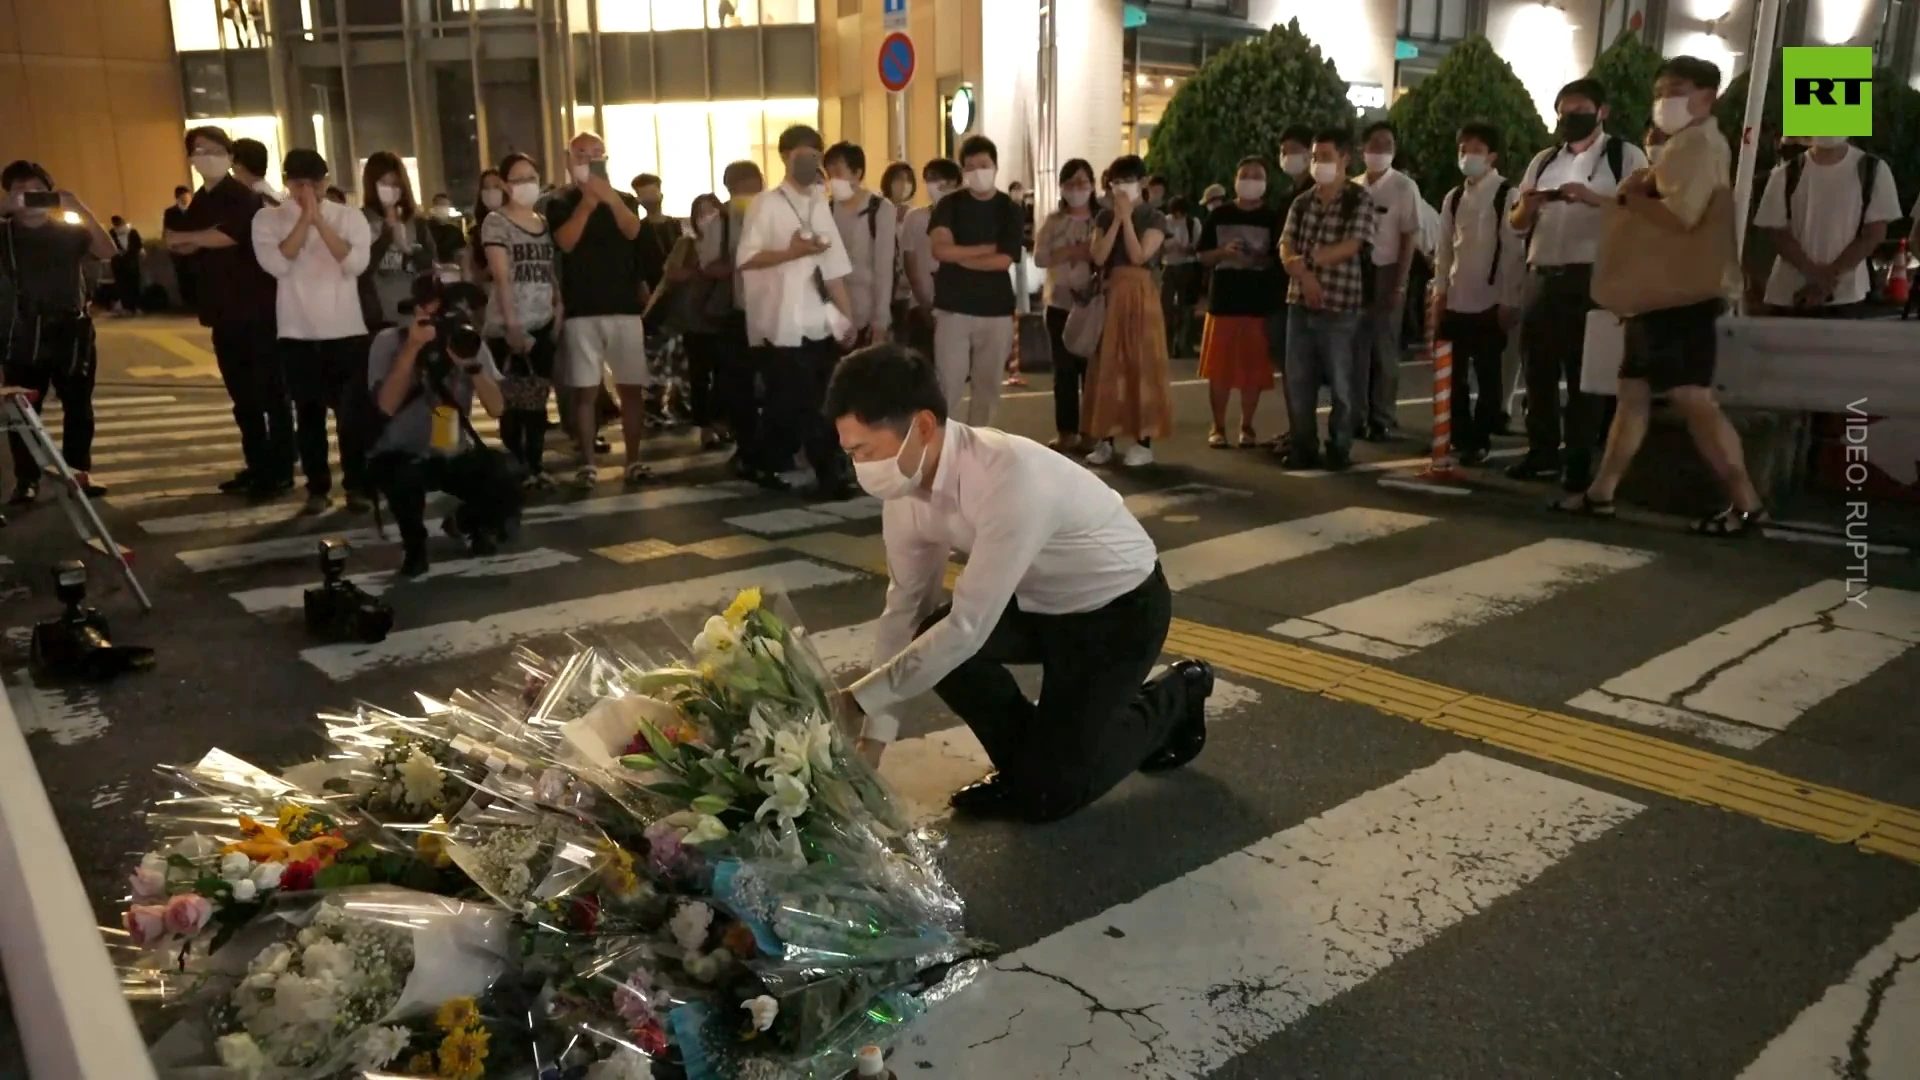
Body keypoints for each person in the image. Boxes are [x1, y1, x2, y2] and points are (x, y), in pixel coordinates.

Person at [824, 343, 1215, 822]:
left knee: (1052, 794)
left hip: (1117, 611)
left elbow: (968, 628)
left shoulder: (1008, 476)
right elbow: (904, 610)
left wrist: (856, 700)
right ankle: (1031, 766)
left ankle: (1175, 696)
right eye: (850, 454)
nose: (859, 466)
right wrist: (871, 747)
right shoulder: (905, 493)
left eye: (864, 450)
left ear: (923, 426)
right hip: (1036, 604)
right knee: (929, 635)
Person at [1558, 56, 1766, 537]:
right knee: (1633, 392)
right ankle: (1601, 493)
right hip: (1663, 292)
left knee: (1692, 399)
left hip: (1681, 295)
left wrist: (1632, 197)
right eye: (1660, 91)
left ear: (1706, 95)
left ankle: (1747, 503)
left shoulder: (1697, 145)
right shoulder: (1684, 145)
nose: (1664, 100)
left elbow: (1680, 216)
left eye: (1676, 90)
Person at [1507, 78, 1650, 491]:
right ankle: (1542, 452)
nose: (1571, 118)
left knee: (1585, 374)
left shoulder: (1624, 156)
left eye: (1580, 110)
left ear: (1601, 111)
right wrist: (1529, 206)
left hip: (1590, 277)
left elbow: (1642, 212)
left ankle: (1580, 461)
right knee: (1538, 370)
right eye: (1564, 112)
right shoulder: (1544, 160)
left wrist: (1591, 199)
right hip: (1542, 273)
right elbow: (1516, 224)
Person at [365, 276, 519, 577]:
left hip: (451, 448)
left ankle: (468, 523)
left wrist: (472, 364)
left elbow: (497, 408)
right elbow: (386, 404)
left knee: (507, 473)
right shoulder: (389, 341)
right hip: (401, 450)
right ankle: (414, 545)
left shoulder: (468, 342)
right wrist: (411, 348)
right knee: (402, 475)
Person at [171, 126, 294, 498]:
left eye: (213, 149)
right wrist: (195, 237)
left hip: (257, 312)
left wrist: (194, 238)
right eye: (197, 150)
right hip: (221, 312)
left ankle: (280, 470)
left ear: (228, 154)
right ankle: (256, 465)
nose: (204, 156)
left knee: (271, 394)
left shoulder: (242, 196)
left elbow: (229, 235)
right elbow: (178, 242)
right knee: (243, 398)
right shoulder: (201, 201)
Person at [735, 124, 858, 497]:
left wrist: (847, 315)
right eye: (801, 154)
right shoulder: (766, 204)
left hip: (819, 319)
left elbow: (834, 266)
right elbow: (746, 259)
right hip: (780, 322)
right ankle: (827, 473)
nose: (810, 161)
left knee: (806, 401)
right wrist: (790, 253)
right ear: (785, 157)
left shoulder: (820, 205)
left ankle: (759, 459)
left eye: (815, 154)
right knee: (800, 401)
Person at [252, 148, 374, 515]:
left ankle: (357, 485)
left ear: (326, 182)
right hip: (296, 331)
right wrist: (304, 220)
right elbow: (277, 264)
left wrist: (320, 220)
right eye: (298, 183)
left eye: (313, 182)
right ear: (288, 182)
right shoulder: (267, 218)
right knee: (308, 415)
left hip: (346, 330)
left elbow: (354, 263)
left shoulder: (349, 217)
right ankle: (318, 487)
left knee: (351, 416)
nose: (306, 190)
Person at [2, 160, 114, 503]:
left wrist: (78, 206)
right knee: (24, 411)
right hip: (23, 334)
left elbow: (107, 251)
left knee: (79, 406)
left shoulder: (68, 229)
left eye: (38, 192)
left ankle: (79, 472)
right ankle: (27, 479)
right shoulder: (3, 232)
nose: (30, 199)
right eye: (21, 192)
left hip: (72, 330)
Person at [548, 131, 651, 488]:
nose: (589, 160)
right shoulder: (559, 201)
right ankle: (587, 462)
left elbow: (633, 231)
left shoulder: (623, 199)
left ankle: (634, 460)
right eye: (581, 154)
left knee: (631, 387)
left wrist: (608, 198)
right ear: (568, 159)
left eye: (596, 154)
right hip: (582, 308)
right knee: (584, 390)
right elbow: (566, 241)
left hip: (623, 307)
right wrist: (588, 203)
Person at [1278, 128, 1376, 471]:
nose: (1319, 164)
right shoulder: (1302, 202)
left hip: (1341, 305)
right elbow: (1285, 244)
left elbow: (1353, 244)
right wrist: (1303, 275)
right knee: (1297, 381)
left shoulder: (1358, 200)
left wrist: (1309, 263)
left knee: (1341, 384)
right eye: (1316, 157)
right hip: (1299, 302)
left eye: (1326, 157)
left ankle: (1340, 446)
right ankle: (1303, 446)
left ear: (1345, 159)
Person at [1430, 120, 1524, 467]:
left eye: (1476, 150)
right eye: (1463, 149)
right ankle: (1457, 433)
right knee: (1451, 375)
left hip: (1489, 302)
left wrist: (1509, 300)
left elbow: (1513, 252)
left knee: (1488, 376)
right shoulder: (1453, 197)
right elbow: (1444, 250)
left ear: (1493, 155)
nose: (1468, 156)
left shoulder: (1506, 194)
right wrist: (1439, 293)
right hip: (1456, 299)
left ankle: (1480, 437)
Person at [1083, 154, 1174, 466]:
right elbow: (1098, 255)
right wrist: (1118, 219)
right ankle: (1104, 438)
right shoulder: (1104, 218)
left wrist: (1128, 220)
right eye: (1116, 182)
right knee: (1108, 365)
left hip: (1141, 294)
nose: (1122, 188)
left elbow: (1138, 255)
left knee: (1141, 364)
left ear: (1143, 183)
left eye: (1128, 181)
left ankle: (1142, 440)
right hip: (1111, 293)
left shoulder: (1155, 217)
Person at [927, 135, 1022, 426]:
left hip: (996, 311)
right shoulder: (949, 205)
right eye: (970, 167)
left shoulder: (1009, 209)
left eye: (984, 164)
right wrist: (985, 248)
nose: (978, 172)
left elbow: (1004, 260)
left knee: (988, 388)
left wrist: (960, 256)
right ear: (963, 171)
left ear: (995, 166)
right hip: (953, 309)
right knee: (948, 386)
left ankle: (979, 450)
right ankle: (940, 451)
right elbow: (940, 249)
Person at [481, 153, 560, 485]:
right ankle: (517, 467)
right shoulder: (496, 222)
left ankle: (535, 465)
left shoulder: (542, 222)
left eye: (531, 177)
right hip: (507, 325)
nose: (526, 185)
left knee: (537, 401)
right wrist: (512, 325)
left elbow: (548, 270)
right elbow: (501, 277)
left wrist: (559, 305)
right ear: (503, 184)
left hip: (541, 321)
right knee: (512, 402)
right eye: (517, 179)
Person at [1755, 135, 1899, 317]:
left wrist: (1823, 279)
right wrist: (1820, 277)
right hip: (1789, 297)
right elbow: (1778, 233)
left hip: (1846, 300)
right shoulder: (1785, 173)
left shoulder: (1874, 170)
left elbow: (1874, 234)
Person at [1195, 155, 1281, 448]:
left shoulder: (1272, 217)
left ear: (1266, 183)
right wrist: (1224, 253)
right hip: (1223, 302)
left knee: (1252, 370)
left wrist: (1257, 258)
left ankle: (1247, 425)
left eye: (1257, 176)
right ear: (1235, 179)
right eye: (1245, 175)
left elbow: (1279, 259)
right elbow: (1202, 256)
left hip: (1257, 302)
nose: (1250, 181)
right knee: (1219, 369)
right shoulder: (1219, 216)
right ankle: (1217, 425)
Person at [1353, 121, 1420, 442]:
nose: (1381, 150)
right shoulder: (1352, 187)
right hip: (1354, 274)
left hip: (1387, 271)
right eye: (1375, 144)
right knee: (1356, 347)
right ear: (1362, 150)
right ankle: (1357, 414)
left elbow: (1409, 237)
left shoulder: (1404, 188)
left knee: (1384, 347)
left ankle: (1382, 414)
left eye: (1388, 144)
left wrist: (1400, 283)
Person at [1033, 158, 1097, 453]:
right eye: (1070, 183)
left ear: (1093, 186)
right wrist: (1074, 250)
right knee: (1064, 371)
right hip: (1059, 304)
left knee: (1093, 371)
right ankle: (1066, 431)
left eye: (1082, 182)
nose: (1076, 189)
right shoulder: (1053, 222)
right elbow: (1040, 257)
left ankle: (1093, 431)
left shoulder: (1102, 220)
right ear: (1061, 188)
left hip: (1094, 306)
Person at [1265, 124, 1314, 458]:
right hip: (1281, 290)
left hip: (1304, 289)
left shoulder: (1314, 196)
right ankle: (1296, 429)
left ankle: (1304, 436)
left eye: (1295, 150)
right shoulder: (1287, 197)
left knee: (1302, 369)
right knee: (1289, 368)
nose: (1288, 157)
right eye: (1283, 151)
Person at [825, 142, 898, 349]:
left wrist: (880, 320)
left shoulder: (880, 209)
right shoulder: (827, 209)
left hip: (868, 307)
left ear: (857, 173)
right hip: (834, 311)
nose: (833, 180)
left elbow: (884, 269)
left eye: (838, 172)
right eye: (829, 174)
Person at [360, 151, 439, 329]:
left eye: (395, 183)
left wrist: (408, 249)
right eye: (383, 183)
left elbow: (430, 265)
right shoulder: (360, 220)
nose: (390, 189)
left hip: (414, 314)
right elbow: (362, 268)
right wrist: (388, 232)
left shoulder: (416, 222)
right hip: (377, 316)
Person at [898, 158, 959, 358]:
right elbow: (909, 261)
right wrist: (925, 303)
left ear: (956, 183)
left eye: (942, 179)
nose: (936, 184)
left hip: (958, 308)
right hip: (921, 305)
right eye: (930, 179)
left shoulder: (966, 218)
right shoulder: (915, 218)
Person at [1159, 195, 1201, 357]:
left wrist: (1187, 248)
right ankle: (1166, 346)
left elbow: (1198, 246)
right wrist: (1169, 246)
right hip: (1169, 266)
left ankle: (1183, 345)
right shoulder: (1165, 221)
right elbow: (1158, 246)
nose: (1178, 217)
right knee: (1166, 308)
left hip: (1187, 266)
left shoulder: (1193, 223)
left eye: (1180, 213)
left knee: (1185, 308)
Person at [879, 160, 918, 334]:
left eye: (908, 180)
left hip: (906, 290)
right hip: (882, 287)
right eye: (898, 179)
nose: (903, 185)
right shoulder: (878, 210)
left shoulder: (914, 215)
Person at [467, 169, 506, 285]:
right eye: (486, 188)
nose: (491, 192)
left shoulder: (517, 225)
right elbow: (474, 275)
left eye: (496, 187)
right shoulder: (476, 231)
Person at [164, 184, 196, 309]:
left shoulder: (196, 210)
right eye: (183, 198)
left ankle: (198, 304)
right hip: (178, 251)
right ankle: (188, 304)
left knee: (197, 277)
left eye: (188, 197)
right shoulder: (170, 212)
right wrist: (173, 246)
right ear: (178, 198)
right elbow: (168, 231)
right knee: (183, 277)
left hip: (195, 249)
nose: (186, 200)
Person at [107, 215, 143, 314]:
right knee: (122, 285)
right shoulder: (112, 233)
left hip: (131, 262)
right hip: (119, 263)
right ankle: (126, 306)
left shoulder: (132, 232)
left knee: (134, 284)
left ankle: (134, 306)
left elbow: (138, 245)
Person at [425, 191, 467, 272]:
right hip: (432, 269)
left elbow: (462, 252)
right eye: (440, 205)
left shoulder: (455, 231)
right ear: (433, 207)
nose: (443, 208)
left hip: (452, 269)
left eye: (445, 205)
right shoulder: (426, 228)